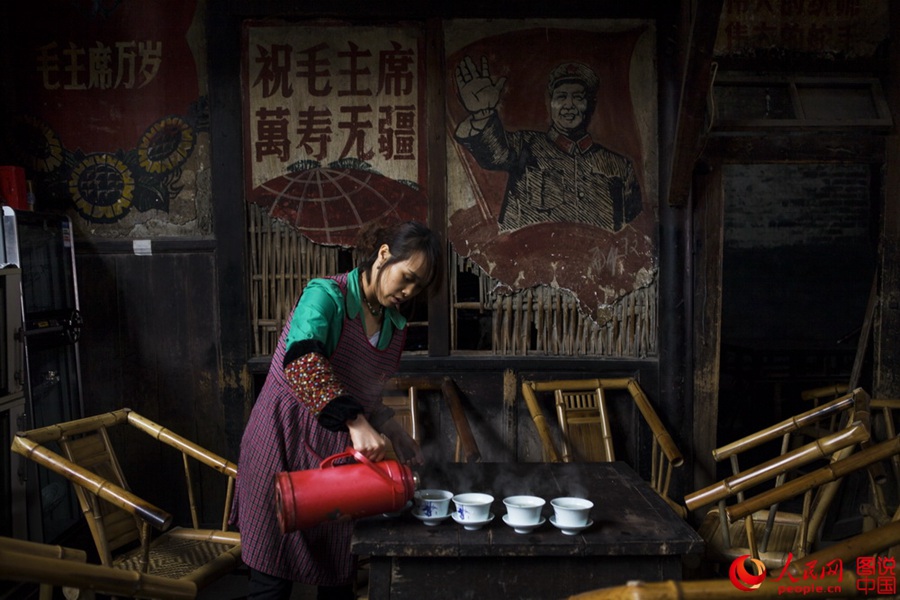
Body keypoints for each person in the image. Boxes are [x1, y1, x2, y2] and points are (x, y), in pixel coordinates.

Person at [231, 221, 443, 600]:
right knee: (271, 579)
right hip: (280, 440)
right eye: (407, 277)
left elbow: (366, 395)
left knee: (336, 575)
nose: (409, 291)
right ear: (382, 255)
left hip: (333, 458)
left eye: (419, 286)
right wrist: (355, 421)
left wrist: (396, 434)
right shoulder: (326, 295)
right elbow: (302, 362)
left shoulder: (395, 326)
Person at [454, 56, 642, 232]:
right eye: (561, 97)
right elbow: (493, 155)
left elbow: (633, 233)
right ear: (550, 103)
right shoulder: (523, 146)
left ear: (590, 105)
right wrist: (482, 113)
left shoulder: (618, 167)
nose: (569, 105)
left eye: (578, 97)